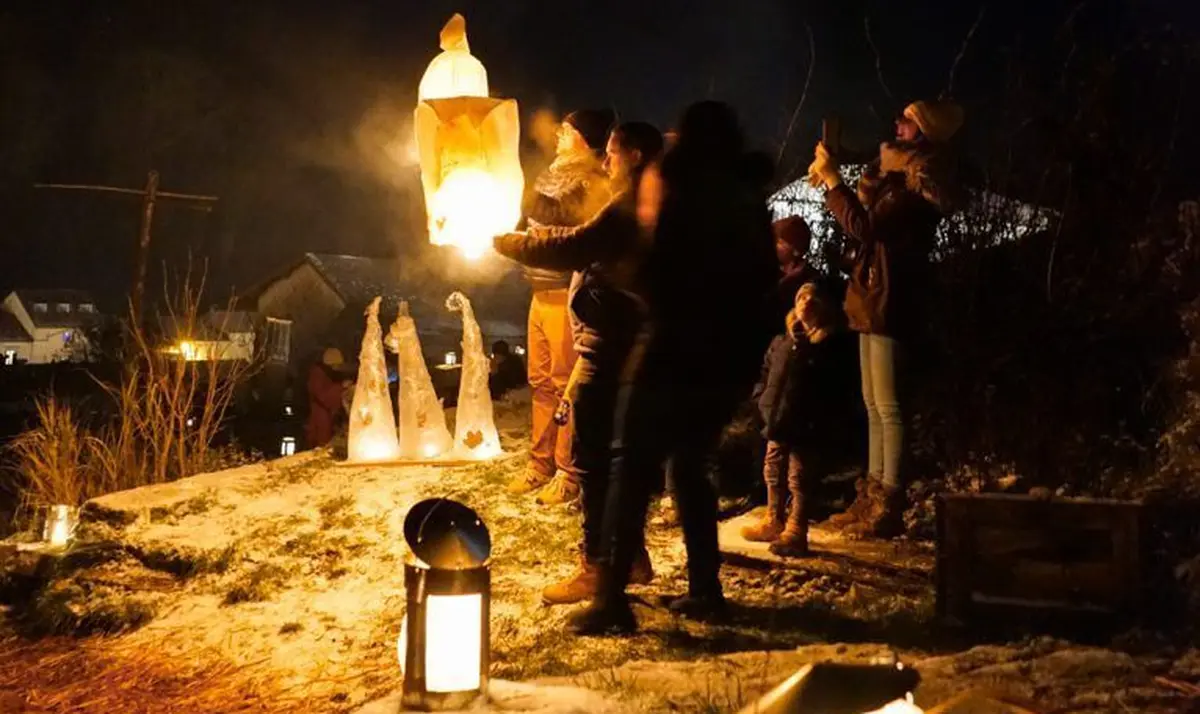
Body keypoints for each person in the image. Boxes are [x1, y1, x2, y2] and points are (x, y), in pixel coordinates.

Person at [570, 101, 778, 635]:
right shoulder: (748, 195)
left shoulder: (674, 178)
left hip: (670, 345)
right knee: (690, 466)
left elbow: (655, 257)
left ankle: (611, 600)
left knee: (631, 467)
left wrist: (627, 274)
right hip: (723, 356)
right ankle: (706, 591)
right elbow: (761, 280)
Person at [494, 121, 665, 605]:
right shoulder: (648, 199)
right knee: (617, 460)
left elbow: (574, 247)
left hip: (608, 345)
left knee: (593, 460)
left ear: (632, 155)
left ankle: (596, 566)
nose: (606, 161)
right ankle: (630, 558)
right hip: (622, 342)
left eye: (612, 153)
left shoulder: (631, 203)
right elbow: (581, 236)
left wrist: (509, 242)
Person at [807, 99, 963, 538]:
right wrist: (838, 182)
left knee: (889, 406)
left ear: (925, 131)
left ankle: (888, 502)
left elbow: (863, 227)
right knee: (874, 403)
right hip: (872, 293)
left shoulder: (915, 185)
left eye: (907, 121)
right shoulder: (890, 179)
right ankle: (871, 494)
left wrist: (837, 183)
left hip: (893, 297)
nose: (897, 124)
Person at [507, 109, 615, 506]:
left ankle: (569, 471)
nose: (558, 134)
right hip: (537, 288)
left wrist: (516, 190)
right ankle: (540, 463)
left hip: (563, 290)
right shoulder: (553, 172)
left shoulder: (591, 178)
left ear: (584, 137)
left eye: (567, 130)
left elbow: (563, 218)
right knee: (540, 381)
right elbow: (532, 219)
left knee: (565, 382)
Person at [742, 282, 858, 556]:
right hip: (777, 418)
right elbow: (766, 372)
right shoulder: (783, 341)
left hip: (806, 422)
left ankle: (796, 528)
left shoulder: (827, 345)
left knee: (800, 475)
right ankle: (773, 518)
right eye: (801, 297)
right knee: (772, 468)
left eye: (813, 298)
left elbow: (834, 387)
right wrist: (762, 400)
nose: (806, 301)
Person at [305, 347, 350, 449]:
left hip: (326, 417)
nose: (338, 367)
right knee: (322, 444)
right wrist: (341, 387)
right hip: (320, 419)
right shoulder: (318, 374)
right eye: (337, 365)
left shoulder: (328, 374)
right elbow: (323, 395)